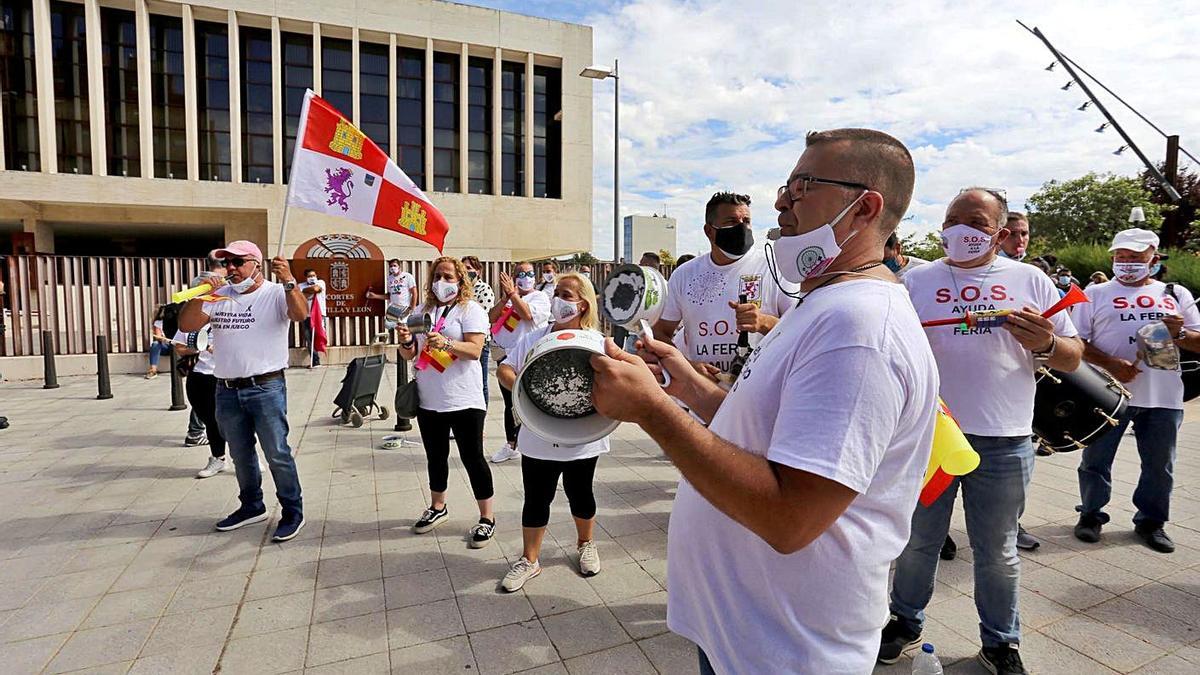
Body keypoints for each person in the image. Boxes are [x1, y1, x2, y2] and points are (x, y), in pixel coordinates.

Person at [590, 128, 939, 674]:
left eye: (802, 186)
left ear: (864, 207)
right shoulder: (822, 303)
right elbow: (763, 427)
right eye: (786, 185)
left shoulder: (859, 327)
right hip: (748, 631)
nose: (779, 203)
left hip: (787, 649)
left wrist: (652, 412)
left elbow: (790, 518)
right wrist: (689, 387)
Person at [885, 188, 1083, 674]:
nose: (961, 229)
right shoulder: (917, 279)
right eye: (953, 219)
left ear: (1000, 231)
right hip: (931, 436)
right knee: (916, 543)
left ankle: (1000, 643)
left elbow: (1074, 354)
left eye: (975, 221)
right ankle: (904, 622)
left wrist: (1048, 342)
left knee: (998, 552)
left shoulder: (1031, 279)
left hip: (1005, 439)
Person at [1071, 228, 1200, 554]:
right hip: (1108, 395)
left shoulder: (1175, 293)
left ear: (1154, 259)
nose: (1127, 263)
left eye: (1135, 258)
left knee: (1159, 465)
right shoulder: (1095, 293)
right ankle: (1091, 515)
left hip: (1163, 396)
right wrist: (1112, 364)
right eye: (1121, 257)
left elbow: (1198, 340)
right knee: (1095, 460)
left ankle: (1151, 522)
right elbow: (1077, 342)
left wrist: (1180, 333)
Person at [178, 240, 309, 542]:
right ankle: (251, 505)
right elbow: (187, 324)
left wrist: (289, 280)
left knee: (276, 452)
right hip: (226, 388)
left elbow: (300, 314)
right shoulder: (219, 295)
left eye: (238, 262)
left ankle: (292, 511)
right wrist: (204, 295)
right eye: (227, 263)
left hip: (265, 387)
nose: (232, 269)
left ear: (257, 264)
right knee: (240, 453)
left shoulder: (275, 293)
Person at [498, 273, 610, 591]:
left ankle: (586, 544)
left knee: (581, 493)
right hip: (539, 434)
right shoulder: (536, 336)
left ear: (583, 303)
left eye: (566, 294)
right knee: (536, 497)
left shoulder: (596, 341)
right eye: (557, 292)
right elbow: (506, 366)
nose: (557, 299)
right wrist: (516, 383)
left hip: (581, 435)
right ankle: (529, 560)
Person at [394, 256, 495, 547]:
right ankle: (438, 507)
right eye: (438, 276)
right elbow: (409, 354)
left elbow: (475, 350)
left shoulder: (470, 309)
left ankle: (487, 517)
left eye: (449, 276)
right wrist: (404, 341)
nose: (442, 282)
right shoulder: (422, 310)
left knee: (472, 458)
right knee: (435, 456)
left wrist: (448, 343)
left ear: (461, 280)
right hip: (429, 399)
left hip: (464, 399)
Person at [652, 192, 798, 387]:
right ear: (709, 231)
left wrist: (763, 322)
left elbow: (800, 332)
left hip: (759, 394)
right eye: (731, 221)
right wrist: (687, 366)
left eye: (746, 221)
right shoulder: (684, 275)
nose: (742, 228)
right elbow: (660, 333)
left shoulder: (774, 267)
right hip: (702, 393)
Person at [487, 261, 551, 463]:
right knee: (510, 403)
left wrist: (514, 296)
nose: (525, 277)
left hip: (528, 358)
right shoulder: (509, 299)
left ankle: (540, 441)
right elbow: (490, 318)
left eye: (529, 273)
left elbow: (527, 314)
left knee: (530, 402)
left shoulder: (539, 297)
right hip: (505, 358)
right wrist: (506, 297)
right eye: (520, 274)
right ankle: (511, 444)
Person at [175, 272, 226, 478]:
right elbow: (179, 346)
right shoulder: (192, 316)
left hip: (228, 375)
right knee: (210, 419)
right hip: (201, 375)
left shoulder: (227, 311)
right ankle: (218, 458)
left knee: (237, 420)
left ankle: (249, 456)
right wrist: (199, 347)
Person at [462, 256, 495, 402]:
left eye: (469, 268)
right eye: (463, 269)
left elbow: (482, 316)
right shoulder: (461, 289)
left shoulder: (484, 289)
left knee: (481, 381)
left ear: (478, 271)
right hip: (463, 340)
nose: (466, 272)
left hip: (480, 341)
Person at [298, 268, 327, 367]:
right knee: (309, 339)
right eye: (310, 276)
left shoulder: (321, 282)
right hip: (306, 316)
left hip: (319, 315)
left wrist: (306, 291)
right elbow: (299, 295)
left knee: (319, 336)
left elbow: (316, 289)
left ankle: (319, 357)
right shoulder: (300, 286)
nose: (312, 278)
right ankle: (315, 361)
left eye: (313, 275)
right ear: (306, 277)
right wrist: (306, 290)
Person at [146, 306, 170, 379]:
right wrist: (164, 339)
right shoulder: (158, 323)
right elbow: (158, 336)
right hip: (165, 346)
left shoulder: (176, 322)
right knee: (155, 344)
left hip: (175, 346)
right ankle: (153, 370)